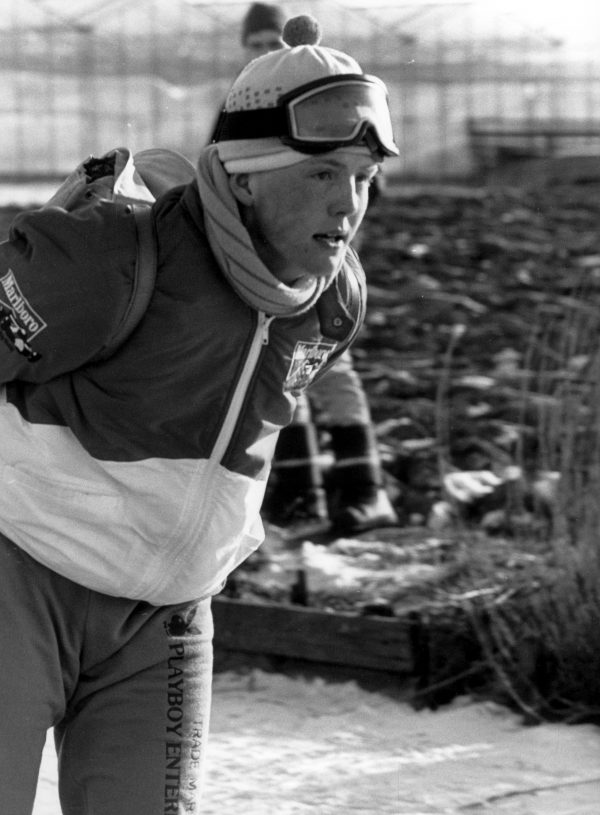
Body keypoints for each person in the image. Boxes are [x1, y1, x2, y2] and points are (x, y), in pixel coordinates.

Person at [0, 15, 398, 814]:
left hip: (169, 616)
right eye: (321, 174)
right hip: (21, 578)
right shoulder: (108, 262)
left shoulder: (334, 303)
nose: (348, 203)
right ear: (245, 174)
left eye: (361, 177)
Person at [237, 2, 399, 535]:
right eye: (256, 44)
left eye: (270, 41)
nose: (266, 52)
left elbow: (359, 172)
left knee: (322, 354)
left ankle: (363, 485)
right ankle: (301, 489)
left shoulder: (324, 95)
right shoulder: (253, 95)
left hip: (319, 249)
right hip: (268, 252)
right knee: (280, 355)